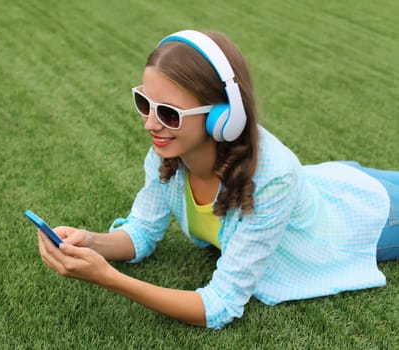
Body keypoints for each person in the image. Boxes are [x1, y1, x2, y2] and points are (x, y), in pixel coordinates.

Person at [36, 29, 399, 329]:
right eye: (144, 103)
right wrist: (92, 243)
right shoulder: (169, 152)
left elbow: (219, 306)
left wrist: (109, 278)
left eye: (169, 113)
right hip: (329, 185)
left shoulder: (272, 178)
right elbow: (142, 232)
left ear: (223, 117)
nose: (150, 123)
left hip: (367, 222)